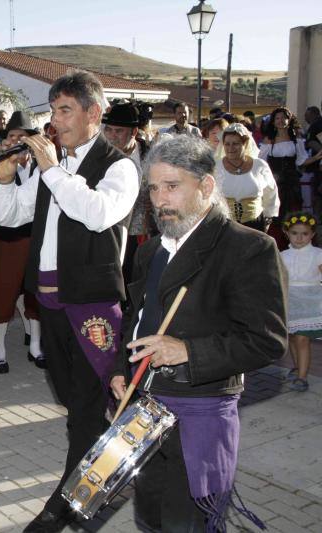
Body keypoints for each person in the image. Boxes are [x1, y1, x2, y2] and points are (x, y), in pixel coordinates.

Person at [109, 135, 287, 531]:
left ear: (206, 186)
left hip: (202, 409)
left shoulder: (248, 248)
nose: (159, 199)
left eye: (172, 186)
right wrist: (122, 367)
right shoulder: (150, 250)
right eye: (153, 188)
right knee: (151, 519)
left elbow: (267, 340)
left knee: (189, 524)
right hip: (145, 408)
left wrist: (187, 350)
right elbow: (137, 319)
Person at [0, 71, 139, 531]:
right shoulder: (53, 164)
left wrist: (51, 169)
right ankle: (89, 495)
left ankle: (65, 508)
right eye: (52, 111)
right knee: (77, 408)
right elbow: (10, 216)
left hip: (91, 304)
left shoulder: (119, 166)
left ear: (94, 113)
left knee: (93, 408)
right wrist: (4, 178)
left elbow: (96, 215)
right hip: (49, 303)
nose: (54, 121)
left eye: (65, 110)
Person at [0, 111, 44, 373]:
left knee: (35, 295)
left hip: (37, 240)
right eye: (12, 136)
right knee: (4, 293)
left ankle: (35, 346)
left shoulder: (44, 165)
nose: (18, 141)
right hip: (8, 241)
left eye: (23, 136)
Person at [102, 101, 153, 281]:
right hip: (109, 232)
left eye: (118, 131)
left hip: (142, 232)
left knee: (139, 281)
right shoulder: (100, 156)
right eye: (108, 130)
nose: (112, 136)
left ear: (133, 132)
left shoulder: (150, 155)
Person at [280, 212, 322, 393]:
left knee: (303, 338)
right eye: (295, 233)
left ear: (312, 235)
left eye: (304, 234)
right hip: (290, 299)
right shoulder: (282, 255)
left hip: (310, 301)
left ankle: (302, 377)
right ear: (287, 233)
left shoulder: (318, 254)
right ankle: (297, 367)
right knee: (292, 337)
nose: (299, 237)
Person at [216, 123, 279, 232]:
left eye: (235, 144)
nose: (230, 148)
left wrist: (268, 218)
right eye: (227, 144)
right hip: (224, 226)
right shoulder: (216, 167)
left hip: (255, 225)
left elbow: (271, 193)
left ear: (245, 144)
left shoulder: (259, 165)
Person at [259, 107, 308, 216]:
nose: (280, 121)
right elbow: (261, 161)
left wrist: (318, 156)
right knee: (276, 208)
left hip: (292, 181)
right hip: (274, 180)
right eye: (277, 118)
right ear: (273, 121)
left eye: (284, 118)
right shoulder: (269, 140)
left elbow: (301, 160)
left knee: (293, 208)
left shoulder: (296, 139)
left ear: (289, 120)